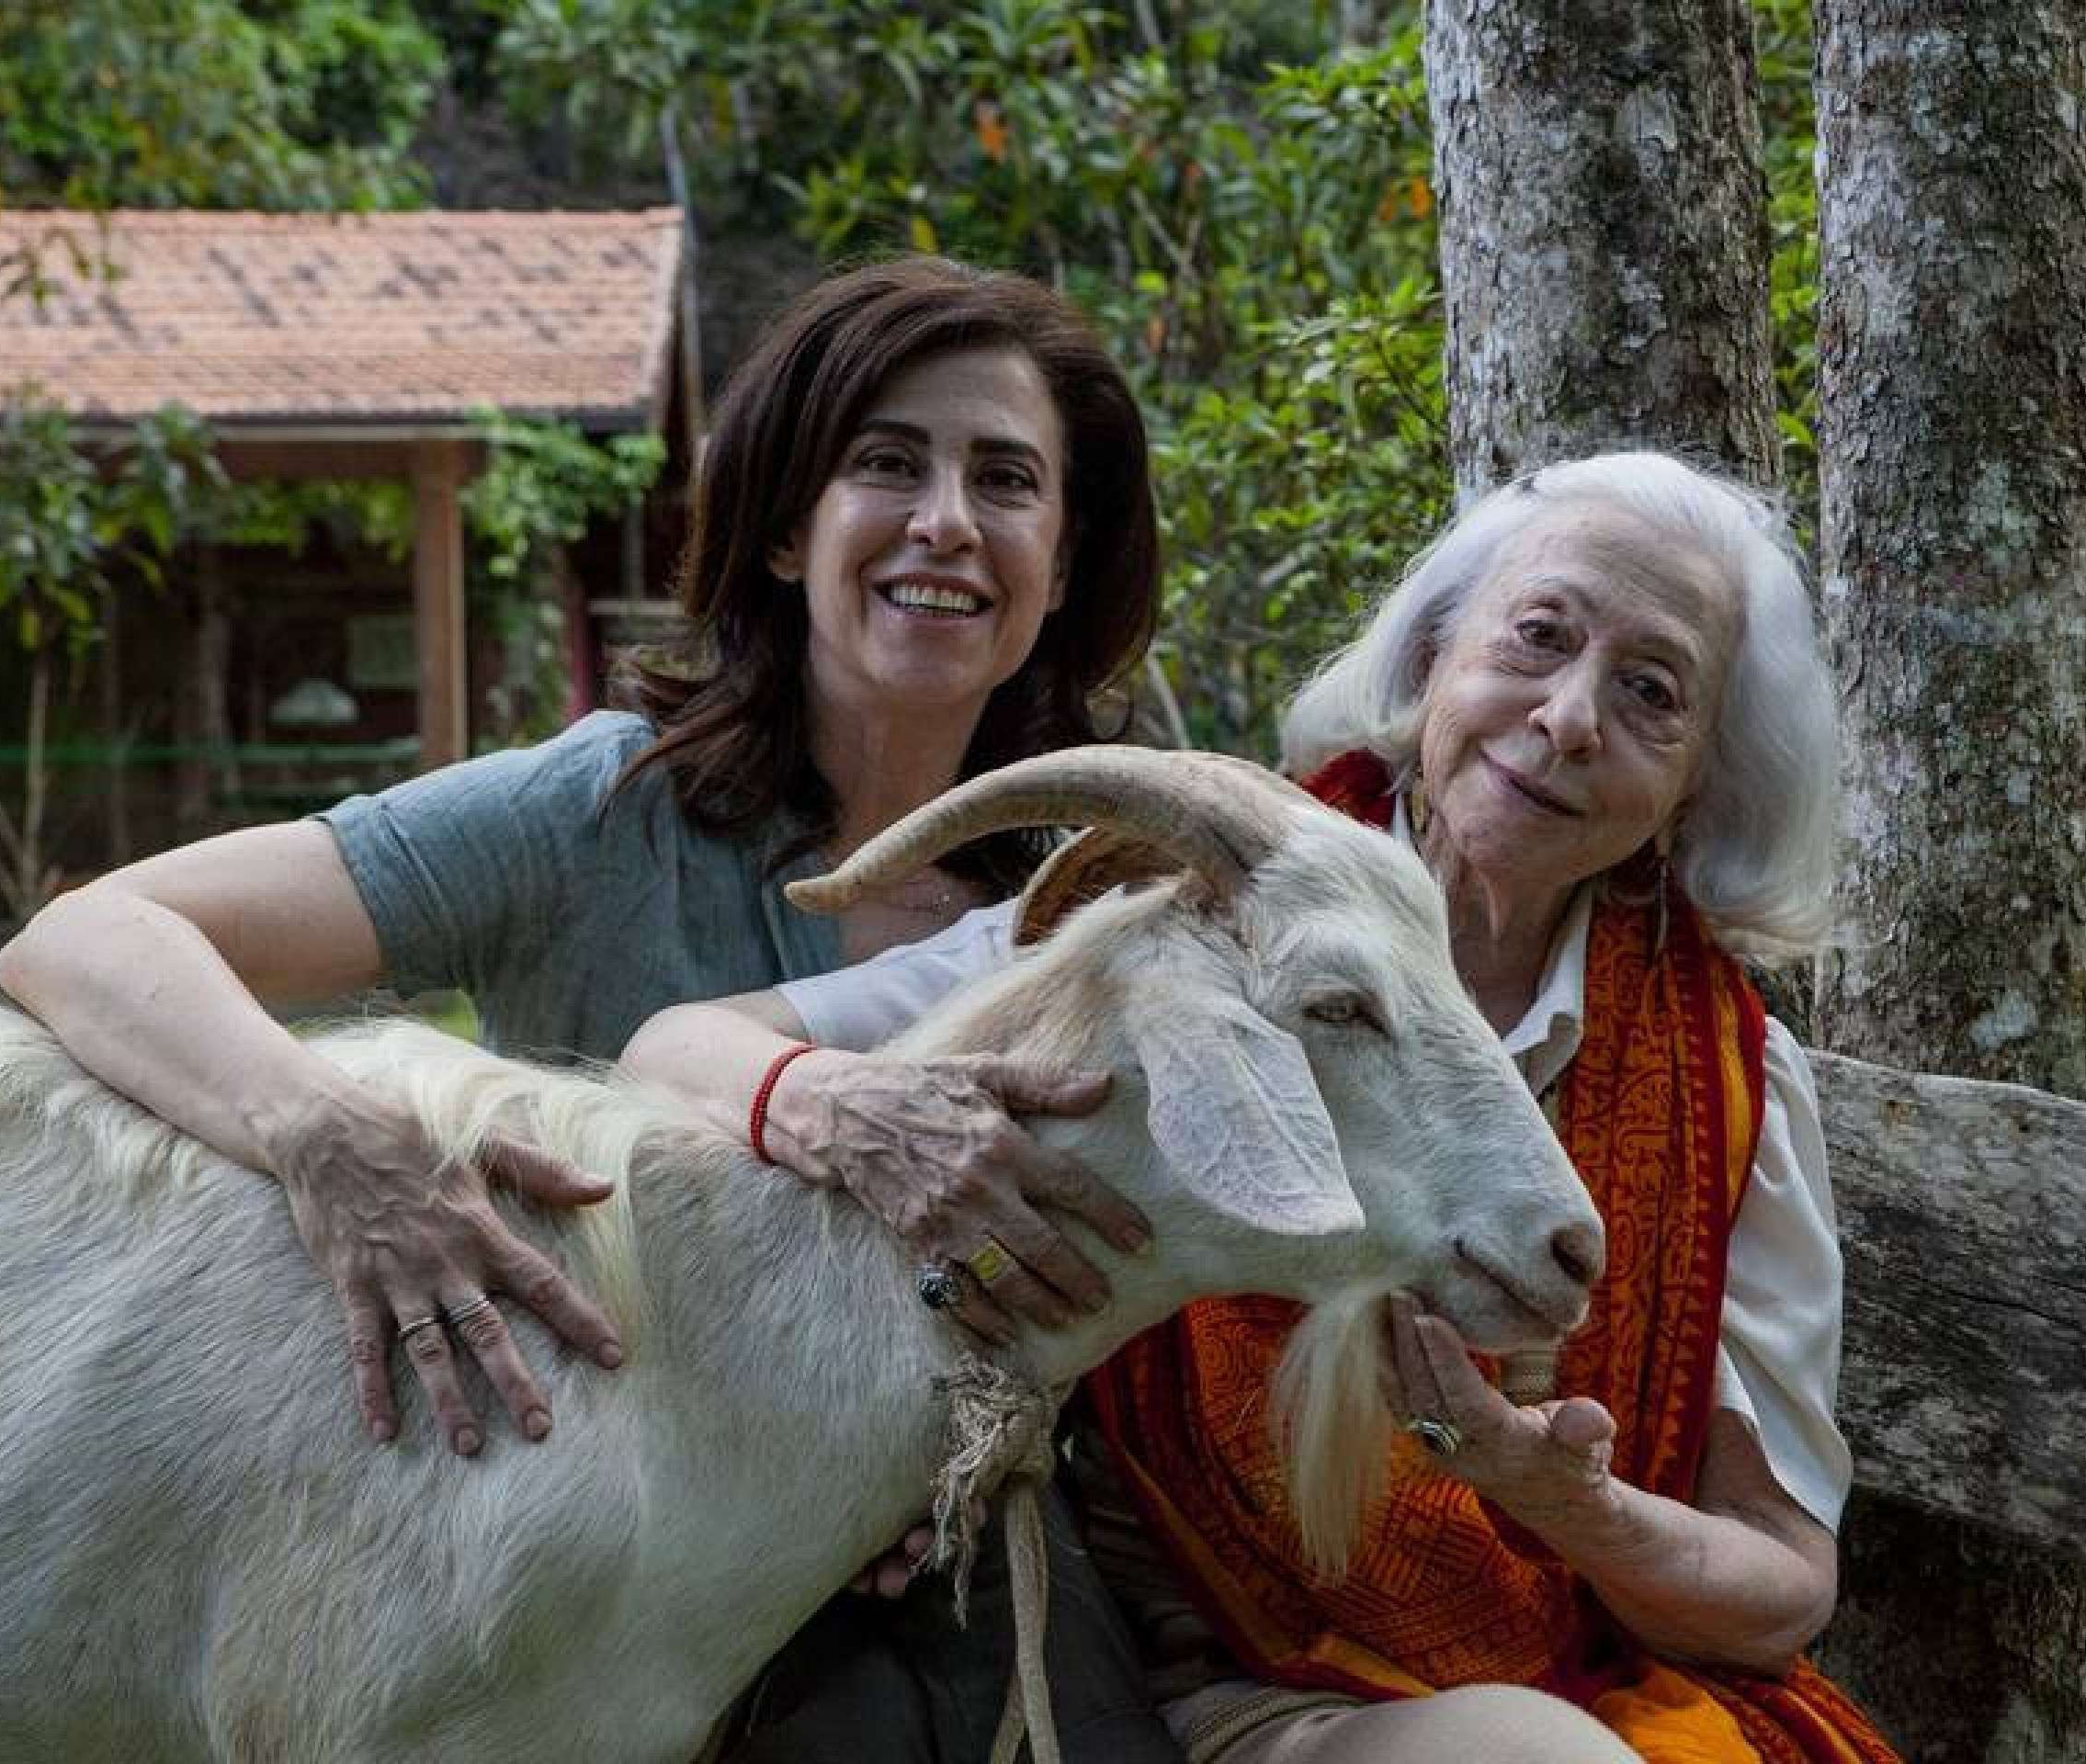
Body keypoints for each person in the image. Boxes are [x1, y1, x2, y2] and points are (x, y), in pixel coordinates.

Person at [0, 254, 1185, 1763]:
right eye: (887, 464)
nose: (946, 520)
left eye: (1006, 480)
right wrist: (324, 1134)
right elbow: (91, 935)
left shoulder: (1085, 905)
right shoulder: (606, 811)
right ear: (777, 532)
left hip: (955, 1565)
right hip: (560, 1557)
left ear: (1065, 562)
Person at [623, 452, 1903, 1763]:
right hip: (1193, 1696)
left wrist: (1557, 1498)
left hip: (1593, 1679)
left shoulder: (1732, 1086)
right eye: (1538, 636)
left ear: (1698, 780)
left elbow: (1779, 1587)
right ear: (1432, 657)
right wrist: (843, 1111)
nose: (1571, 715)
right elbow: (677, 1051)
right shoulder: (1197, 909)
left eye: (1651, 692)